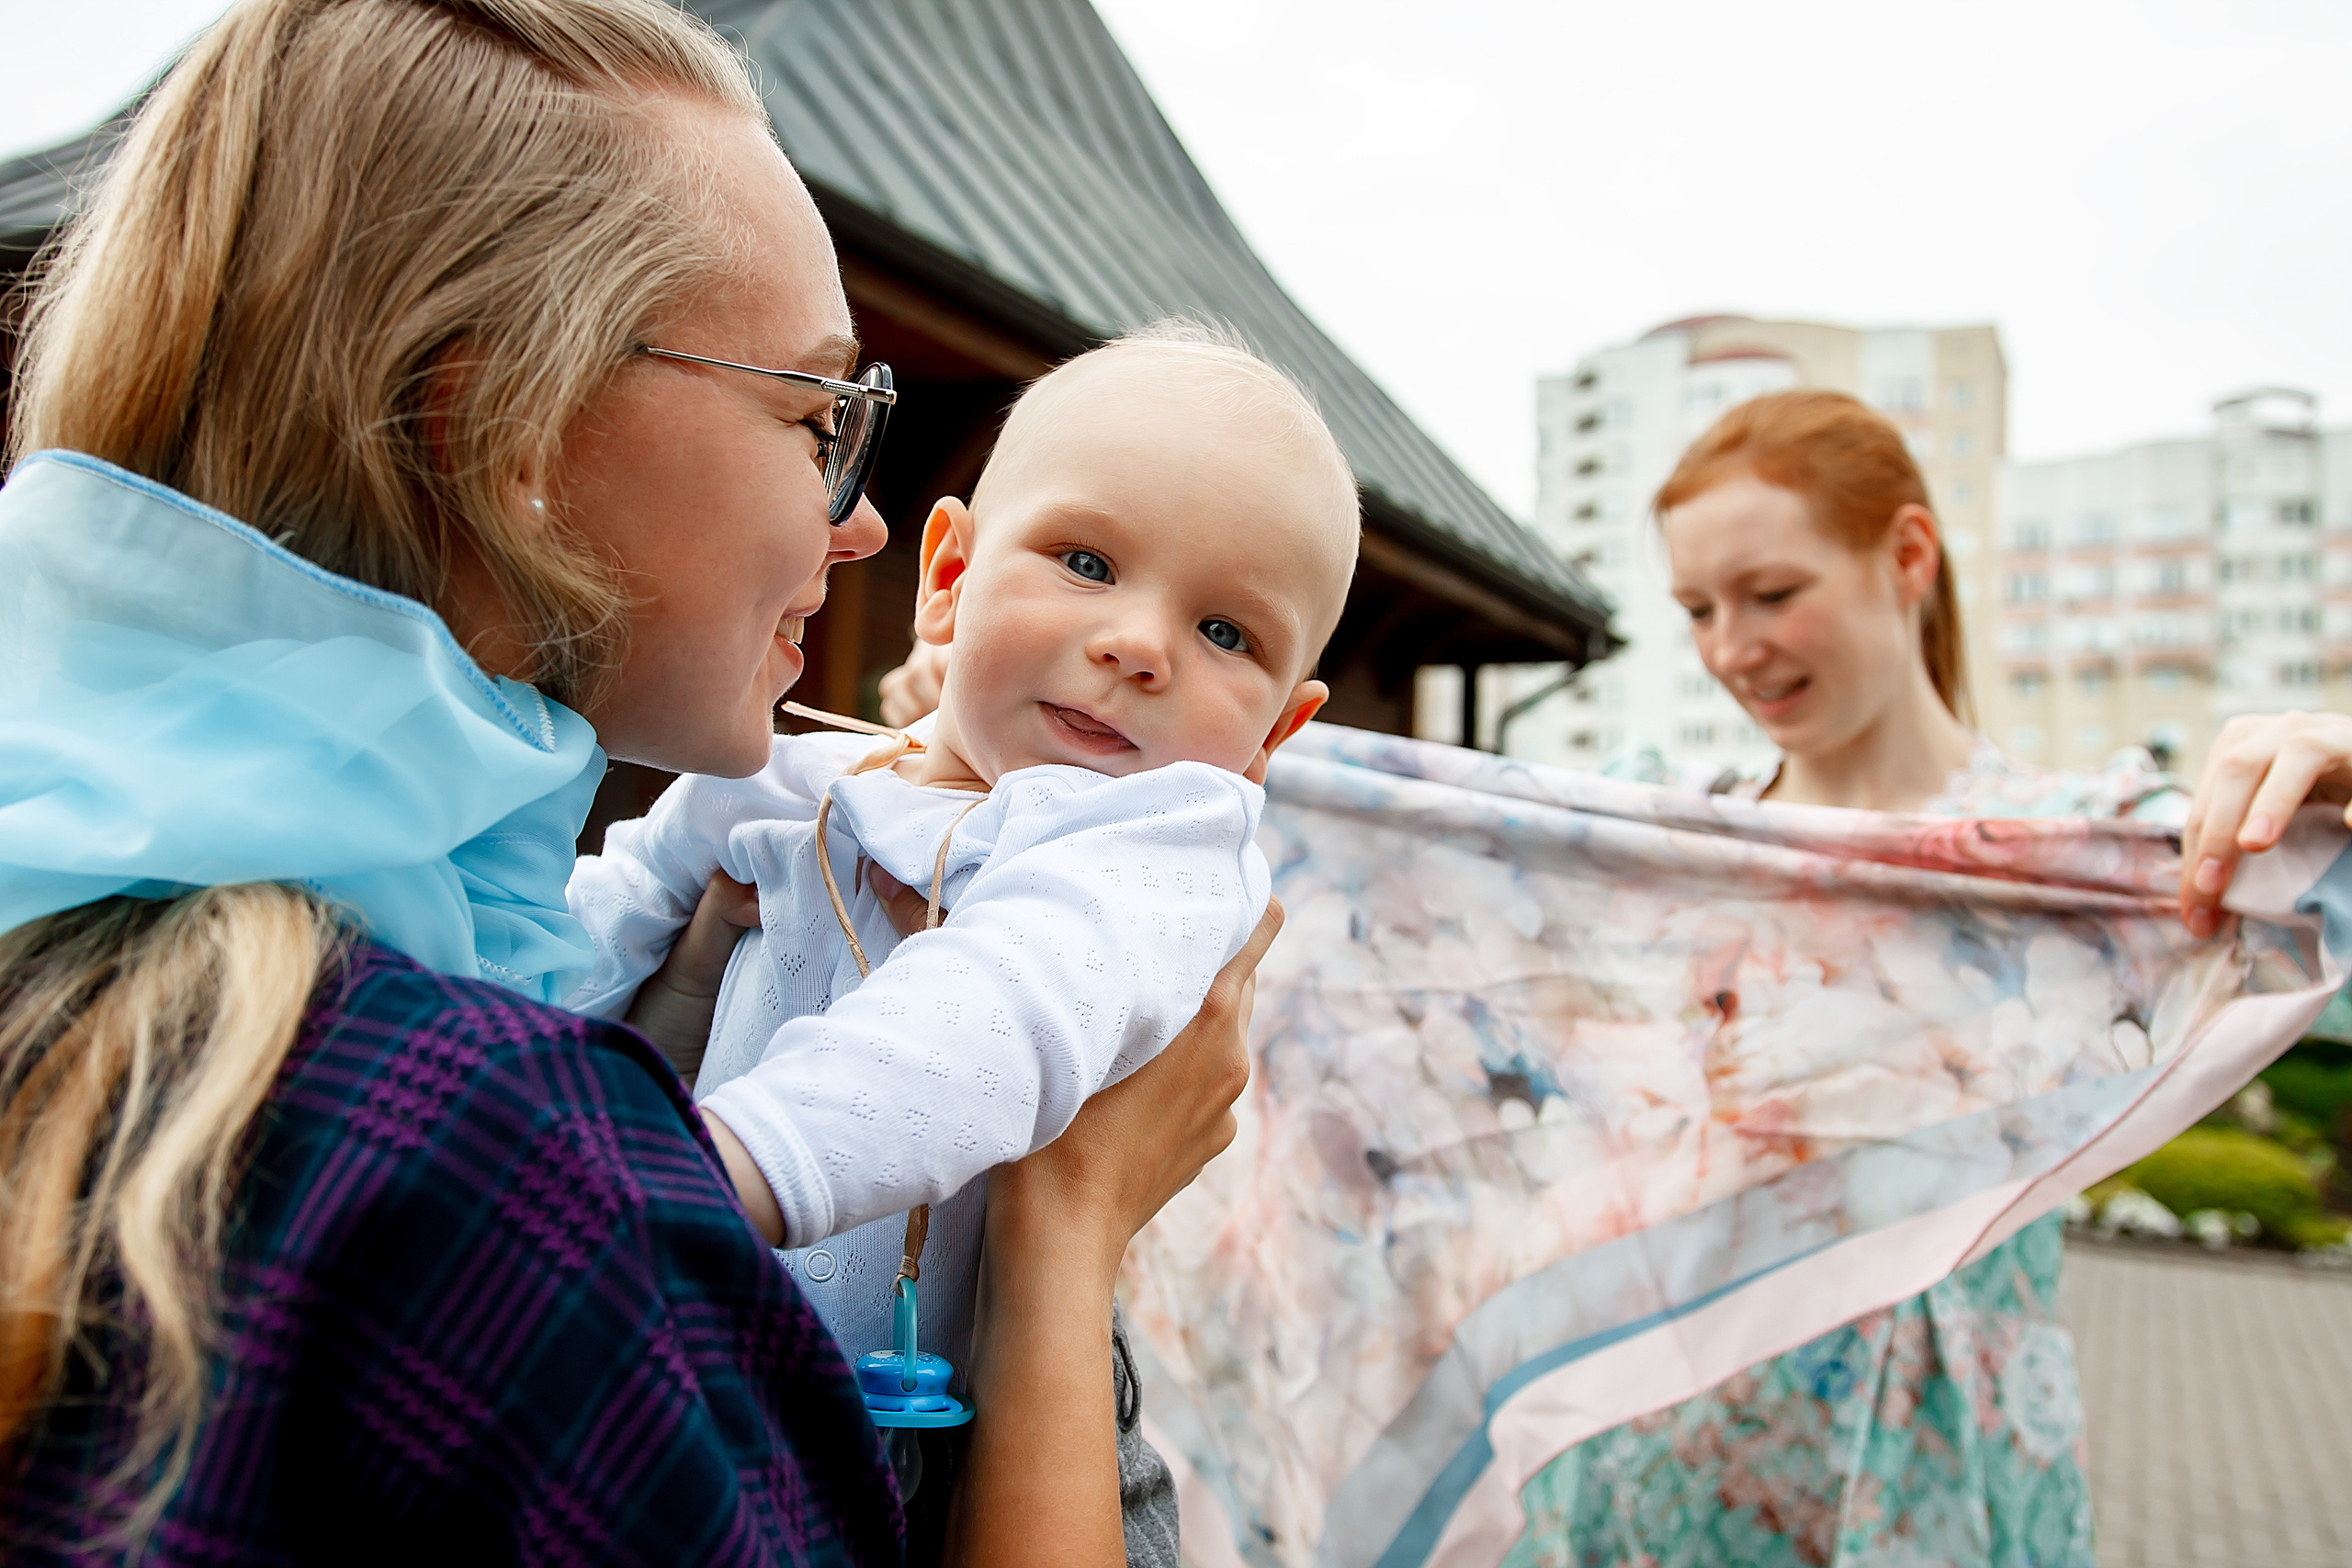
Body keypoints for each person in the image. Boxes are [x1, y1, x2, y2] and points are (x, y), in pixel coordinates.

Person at [0, 3, 1267, 1563]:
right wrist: (1068, 1233)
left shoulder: (99, 958)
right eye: (818, 419)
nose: (854, 525)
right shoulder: (503, 1173)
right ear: (515, 425)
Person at [1501, 389, 2352, 1568]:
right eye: (1698, 608)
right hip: (1633, 1486)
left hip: (1918, 1495)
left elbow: (2318, 927)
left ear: (1905, 555)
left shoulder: (2071, 863)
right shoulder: (1666, 845)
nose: (1729, 648)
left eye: (1772, 593)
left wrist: (2331, 786)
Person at [564, 319, 1357, 1546]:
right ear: (947, 577)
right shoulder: (797, 777)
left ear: (1274, 732)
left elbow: (1001, 1007)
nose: (1139, 644)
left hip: (946, 1440)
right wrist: (505, 1055)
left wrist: (726, 1162)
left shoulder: (1159, 852)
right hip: (697, 1344)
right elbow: (606, 914)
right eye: (1087, 560)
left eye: (1225, 633)